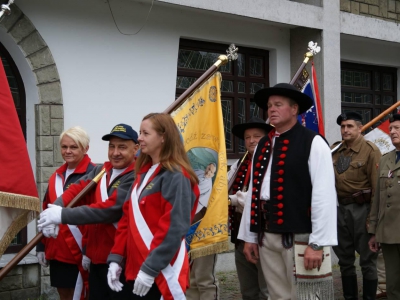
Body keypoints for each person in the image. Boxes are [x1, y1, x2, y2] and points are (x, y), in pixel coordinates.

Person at [238, 83, 337, 299]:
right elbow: (255, 193)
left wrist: (317, 243)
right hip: (267, 231)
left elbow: (324, 196)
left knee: (308, 295)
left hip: (302, 234)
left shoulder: (313, 142)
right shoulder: (263, 144)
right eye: (269, 105)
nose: (271, 109)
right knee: (278, 295)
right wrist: (249, 236)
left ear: (294, 109)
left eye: (278, 105)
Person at [38, 123, 139, 300]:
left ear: (136, 148)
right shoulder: (101, 170)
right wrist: (54, 210)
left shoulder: (136, 175)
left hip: (121, 260)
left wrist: (61, 215)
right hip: (97, 259)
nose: (115, 152)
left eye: (122, 147)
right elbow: (76, 189)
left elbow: (110, 210)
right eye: (112, 146)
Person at [106, 113, 199, 300]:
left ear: (163, 137)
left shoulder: (176, 175)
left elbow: (174, 228)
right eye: (140, 132)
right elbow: (127, 219)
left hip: (159, 272)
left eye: (145, 133)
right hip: (135, 269)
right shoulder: (143, 173)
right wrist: (116, 258)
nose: (139, 138)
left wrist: (150, 269)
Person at [36, 126, 95, 300]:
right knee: (65, 295)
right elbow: (46, 209)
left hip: (82, 249)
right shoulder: (56, 176)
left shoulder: (94, 174)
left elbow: (96, 214)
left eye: (73, 147)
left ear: (85, 148)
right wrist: (41, 245)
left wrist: (88, 249)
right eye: (64, 147)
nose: (67, 151)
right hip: (58, 249)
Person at [331, 111, 380, 300]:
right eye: (343, 126)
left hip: (362, 209)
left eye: (350, 126)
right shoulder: (335, 149)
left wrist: (373, 222)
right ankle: (349, 297)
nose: (345, 130)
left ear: (360, 128)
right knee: (345, 260)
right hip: (340, 209)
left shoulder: (370, 150)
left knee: (367, 261)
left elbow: (377, 188)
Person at [228, 117, 271, 300]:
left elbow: (255, 199)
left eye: (257, 136)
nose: (251, 140)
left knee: (266, 288)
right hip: (240, 231)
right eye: (247, 137)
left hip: (263, 231)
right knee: (248, 288)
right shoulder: (240, 164)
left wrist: (232, 200)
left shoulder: (271, 163)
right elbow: (225, 187)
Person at [368, 113, 400, 299]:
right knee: (393, 283)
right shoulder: (386, 159)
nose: (392, 132)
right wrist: (374, 231)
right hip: (388, 233)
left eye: (397, 128)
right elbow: (377, 200)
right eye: (391, 129)